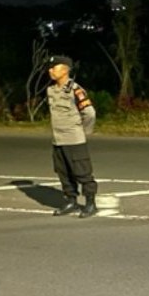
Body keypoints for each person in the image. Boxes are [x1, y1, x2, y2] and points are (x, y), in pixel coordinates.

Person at [46, 55, 99, 218]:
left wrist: (82, 132)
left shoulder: (76, 90)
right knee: (64, 173)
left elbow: (89, 113)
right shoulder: (51, 90)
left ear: (65, 69)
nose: (50, 70)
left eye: (54, 67)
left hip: (74, 140)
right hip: (58, 140)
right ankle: (71, 201)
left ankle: (90, 203)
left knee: (82, 173)